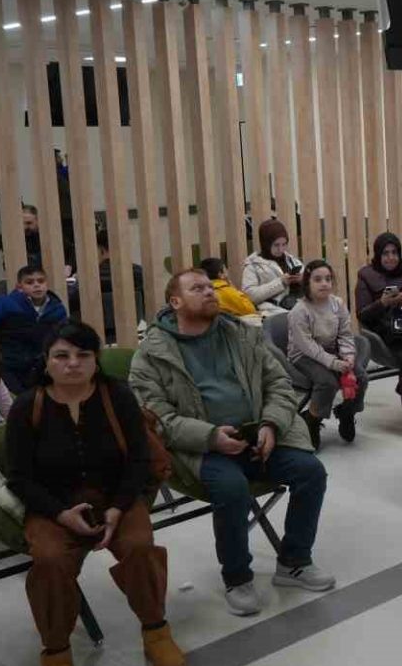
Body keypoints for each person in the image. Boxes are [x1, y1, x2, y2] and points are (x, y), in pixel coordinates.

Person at [129, 270, 333, 616]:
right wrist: (211, 437)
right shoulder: (151, 353)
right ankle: (237, 578)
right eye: (197, 288)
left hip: (258, 435)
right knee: (231, 487)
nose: (209, 292)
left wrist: (271, 424)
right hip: (199, 448)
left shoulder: (242, 334)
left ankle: (294, 562)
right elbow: (156, 419)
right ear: (175, 302)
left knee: (311, 472)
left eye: (210, 287)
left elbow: (279, 384)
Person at [7, 320, 185, 666]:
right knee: (50, 560)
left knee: (139, 546)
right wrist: (60, 514)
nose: (72, 363)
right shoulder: (26, 406)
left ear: (95, 359)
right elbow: (19, 477)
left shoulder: (116, 396)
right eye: (62, 356)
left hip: (116, 497)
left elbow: (138, 459)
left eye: (83, 355)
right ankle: (56, 654)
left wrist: (119, 508)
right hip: (54, 506)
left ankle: (155, 629)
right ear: (47, 361)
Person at [354, 232, 402, 442]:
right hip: (387, 332)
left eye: (394, 252)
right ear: (378, 255)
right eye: (385, 253)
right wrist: (383, 303)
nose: (391, 258)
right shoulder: (366, 276)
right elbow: (362, 315)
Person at [287, 259, 370, 447]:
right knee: (327, 382)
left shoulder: (337, 304)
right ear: (307, 283)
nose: (324, 283)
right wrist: (334, 363)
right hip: (303, 356)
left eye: (328, 279)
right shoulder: (299, 311)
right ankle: (312, 419)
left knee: (361, 377)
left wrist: (348, 356)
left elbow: (345, 334)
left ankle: (346, 412)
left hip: (332, 350)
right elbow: (307, 346)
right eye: (317, 279)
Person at [0, 265, 70, 393]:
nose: (37, 285)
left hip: (42, 366)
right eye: (29, 282)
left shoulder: (57, 308)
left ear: (46, 284)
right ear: (19, 287)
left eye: (41, 281)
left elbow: (66, 335)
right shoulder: (6, 304)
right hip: (8, 366)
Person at [241, 218, 306, 317]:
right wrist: (280, 283)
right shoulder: (253, 265)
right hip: (272, 312)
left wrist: (302, 280)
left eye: (284, 244)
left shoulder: (292, 261)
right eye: (276, 245)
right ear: (266, 244)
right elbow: (249, 296)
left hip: (297, 306)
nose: (281, 249)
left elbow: (311, 285)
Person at [95, 229, 146, 345]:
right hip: (133, 328)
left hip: (99, 334)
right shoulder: (137, 272)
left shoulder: (91, 276)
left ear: (101, 249)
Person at [200, 256, 262, 325]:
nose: (227, 272)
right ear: (221, 274)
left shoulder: (200, 292)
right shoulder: (226, 291)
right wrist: (232, 288)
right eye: (225, 270)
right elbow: (250, 309)